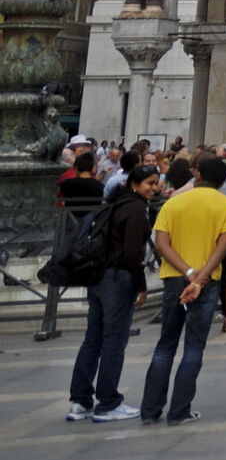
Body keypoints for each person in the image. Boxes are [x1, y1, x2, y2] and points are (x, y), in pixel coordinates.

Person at [142, 154, 226, 423]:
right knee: (194, 347)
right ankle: (179, 411)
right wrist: (200, 276)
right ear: (222, 181)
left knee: (165, 345)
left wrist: (187, 272)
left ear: (197, 175)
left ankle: (150, 411)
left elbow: (162, 244)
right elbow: (224, 245)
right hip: (207, 282)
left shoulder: (174, 202)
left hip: (175, 277)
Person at [65, 163, 160, 424]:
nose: (154, 188)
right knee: (114, 341)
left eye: (156, 182)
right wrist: (141, 285)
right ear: (135, 184)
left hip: (97, 275)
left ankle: (80, 400)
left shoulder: (113, 203)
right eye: (150, 183)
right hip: (118, 277)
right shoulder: (136, 209)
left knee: (93, 338)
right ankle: (108, 402)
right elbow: (133, 253)